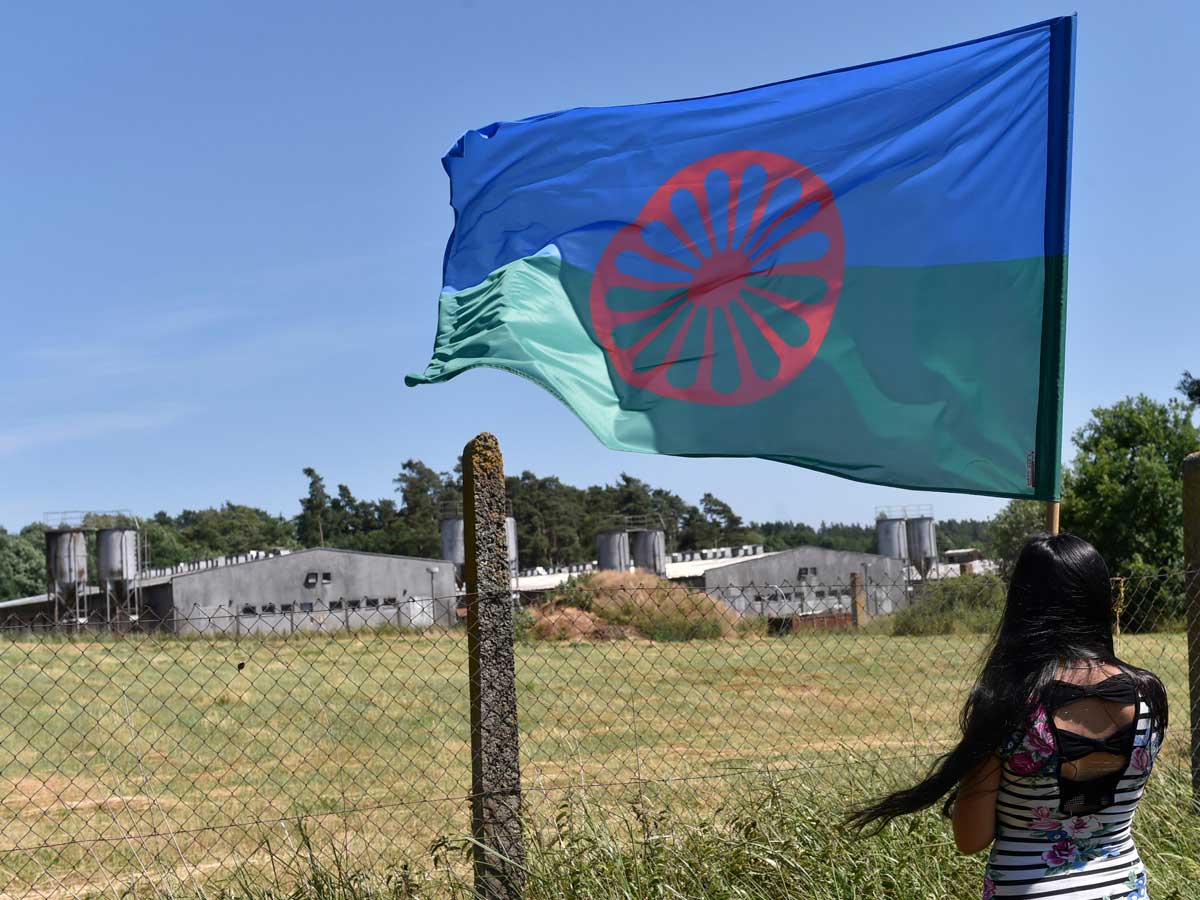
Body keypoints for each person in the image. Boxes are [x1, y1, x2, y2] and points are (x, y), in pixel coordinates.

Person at [847, 533, 1168, 900]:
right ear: (1100, 600)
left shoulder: (1012, 702)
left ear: (1023, 602)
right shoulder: (1148, 696)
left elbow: (971, 838)